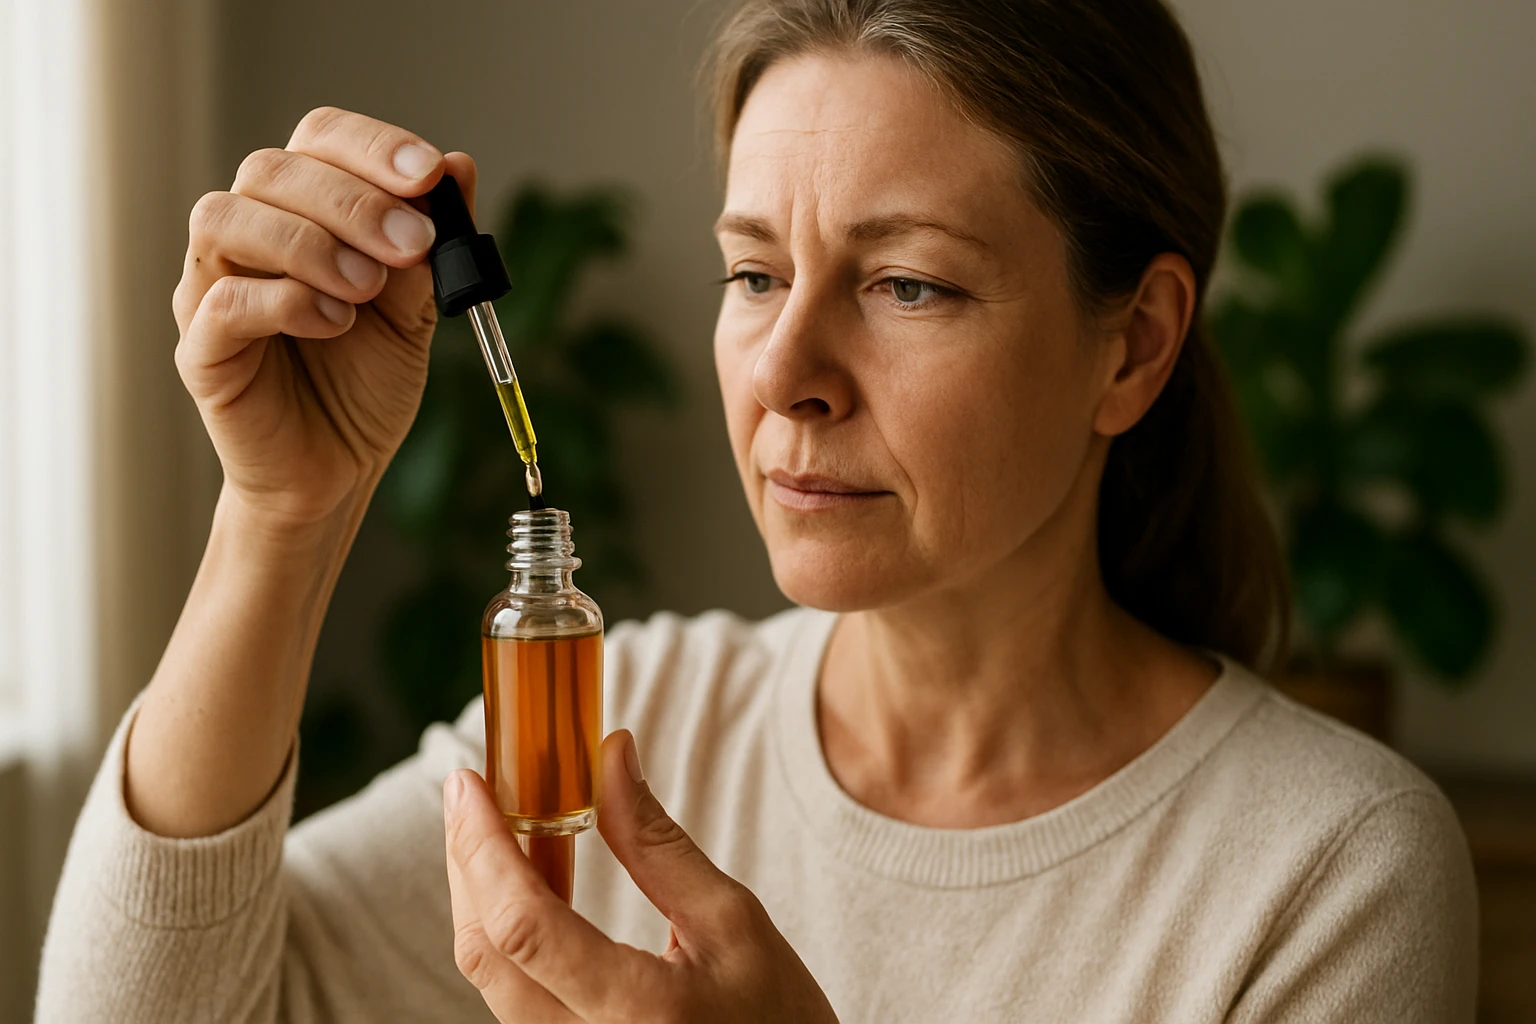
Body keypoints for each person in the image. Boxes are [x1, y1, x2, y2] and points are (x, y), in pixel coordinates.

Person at [36, 1, 1477, 1021]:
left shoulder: (1328, 872)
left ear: (1135, 345)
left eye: (907, 282)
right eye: (753, 275)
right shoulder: (614, 726)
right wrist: (281, 514)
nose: (786, 374)